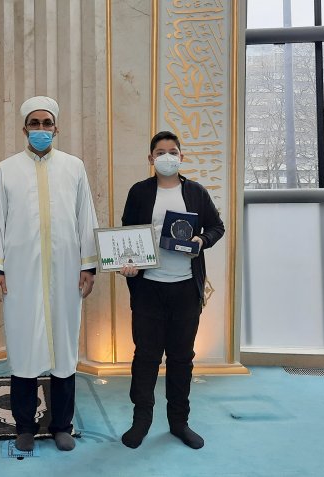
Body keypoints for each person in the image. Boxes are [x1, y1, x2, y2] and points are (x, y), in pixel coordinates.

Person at [0, 96, 99, 452]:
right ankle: (25, 427)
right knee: (23, 347)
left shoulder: (74, 167)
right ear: (24, 129)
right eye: (34, 123)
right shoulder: (7, 169)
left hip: (65, 272)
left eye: (46, 123)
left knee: (64, 347)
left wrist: (88, 264)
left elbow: (85, 216)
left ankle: (62, 425)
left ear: (56, 128)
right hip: (21, 273)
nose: (41, 129)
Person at [118, 131, 224, 450]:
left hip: (185, 290)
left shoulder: (196, 192)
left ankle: (179, 422)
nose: (167, 157)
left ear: (181, 156)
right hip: (148, 289)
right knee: (145, 357)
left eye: (173, 151)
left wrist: (201, 240)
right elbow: (127, 234)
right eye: (160, 152)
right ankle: (141, 421)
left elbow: (216, 227)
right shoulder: (139, 192)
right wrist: (128, 262)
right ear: (151, 159)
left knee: (181, 358)